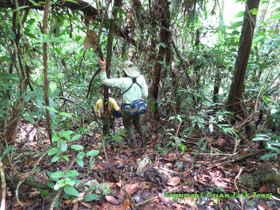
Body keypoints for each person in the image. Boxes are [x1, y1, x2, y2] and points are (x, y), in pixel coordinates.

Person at [99, 58, 148, 148]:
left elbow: (104, 81)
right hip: (138, 106)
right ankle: (144, 137)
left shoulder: (123, 81)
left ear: (124, 70)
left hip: (127, 109)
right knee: (137, 121)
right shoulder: (141, 78)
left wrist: (103, 67)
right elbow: (145, 94)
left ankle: (134, 142)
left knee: (127, 123)